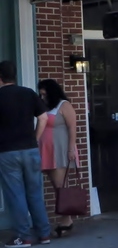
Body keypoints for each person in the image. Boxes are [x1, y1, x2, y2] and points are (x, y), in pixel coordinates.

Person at [0, 61, 50, 248]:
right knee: (35, 193)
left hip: (7, 152)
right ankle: (44, 234)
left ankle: (23, 236)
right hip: (30, 149)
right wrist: (35, 139)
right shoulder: (28, 93)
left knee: (16, 195)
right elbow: (43, 118)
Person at [38, 79, 79, 237]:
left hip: (60, 149)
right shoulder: (45, 107)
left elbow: (72, 127)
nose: (42, 98)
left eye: (44, 94)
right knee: (56, 186)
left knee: (60, 185)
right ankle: (65, 218)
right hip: (46, 150)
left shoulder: (64, 105)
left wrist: (71, 149)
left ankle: (66, 219)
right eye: (40, 94)